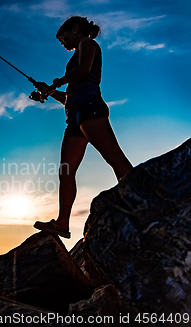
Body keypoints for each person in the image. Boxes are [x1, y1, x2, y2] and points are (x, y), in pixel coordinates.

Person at [33, 16, 133, 239]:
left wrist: (56, 82)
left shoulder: (87, 43)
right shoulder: (77, 50)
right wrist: (49, 92)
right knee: (66, 171)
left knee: (113, 157)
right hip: (75, 115)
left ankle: (140, 198)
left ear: (75, 29)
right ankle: (62, 224)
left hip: (89, 107)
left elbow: (84, 70)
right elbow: (69, 96)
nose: (62, 42)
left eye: (63, 37)